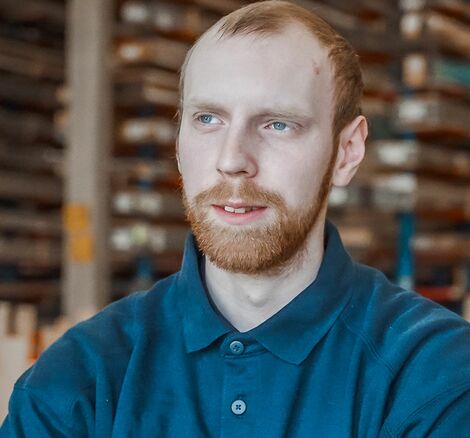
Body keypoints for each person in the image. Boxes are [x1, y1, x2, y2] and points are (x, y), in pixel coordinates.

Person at [2, 1, 470, 436]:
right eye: (208, 119)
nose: (232, 159)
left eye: (278, 124)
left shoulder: (435, 375)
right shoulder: (76, 380)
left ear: (347, 152)